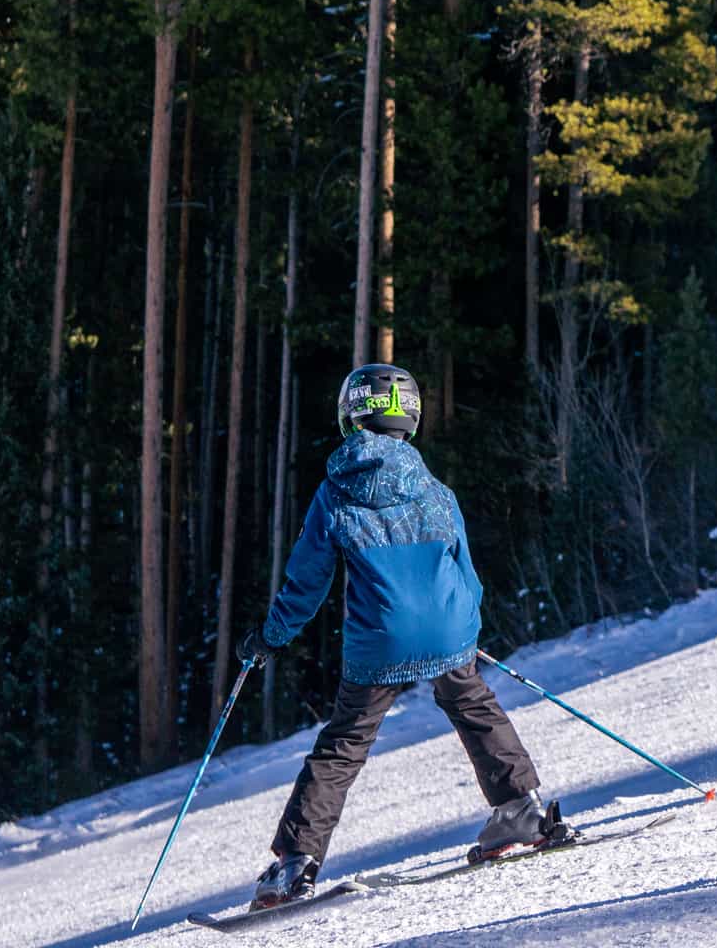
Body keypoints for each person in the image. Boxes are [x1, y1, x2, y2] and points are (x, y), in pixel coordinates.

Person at [240, 364, 568, 909]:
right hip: (447, 628)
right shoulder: (435, 489)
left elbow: (307, 581)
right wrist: (461, 632)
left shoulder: (336, 493)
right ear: (409, 418)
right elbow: (467, 572)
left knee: (344, 743)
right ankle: (519, 809)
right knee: (474, 704)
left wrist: (271, 638)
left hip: (379, 641)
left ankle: (295, 864)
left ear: (351, 413)